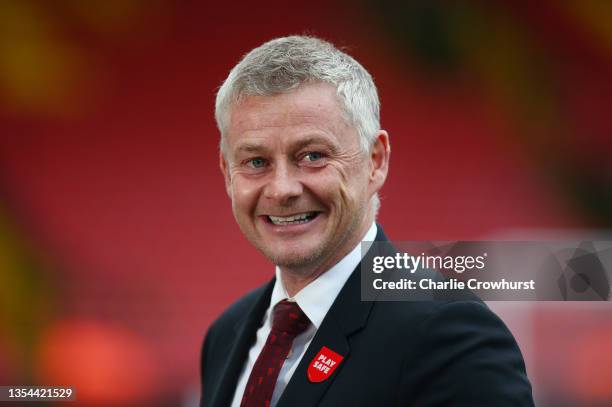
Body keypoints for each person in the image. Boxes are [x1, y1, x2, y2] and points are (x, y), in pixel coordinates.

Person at [200, 35, 534, 407]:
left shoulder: (448, 334)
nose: (281, 189)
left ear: (376, 160)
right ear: (227, 173)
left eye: (312, 155)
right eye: (256, 162)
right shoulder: (227, 334)